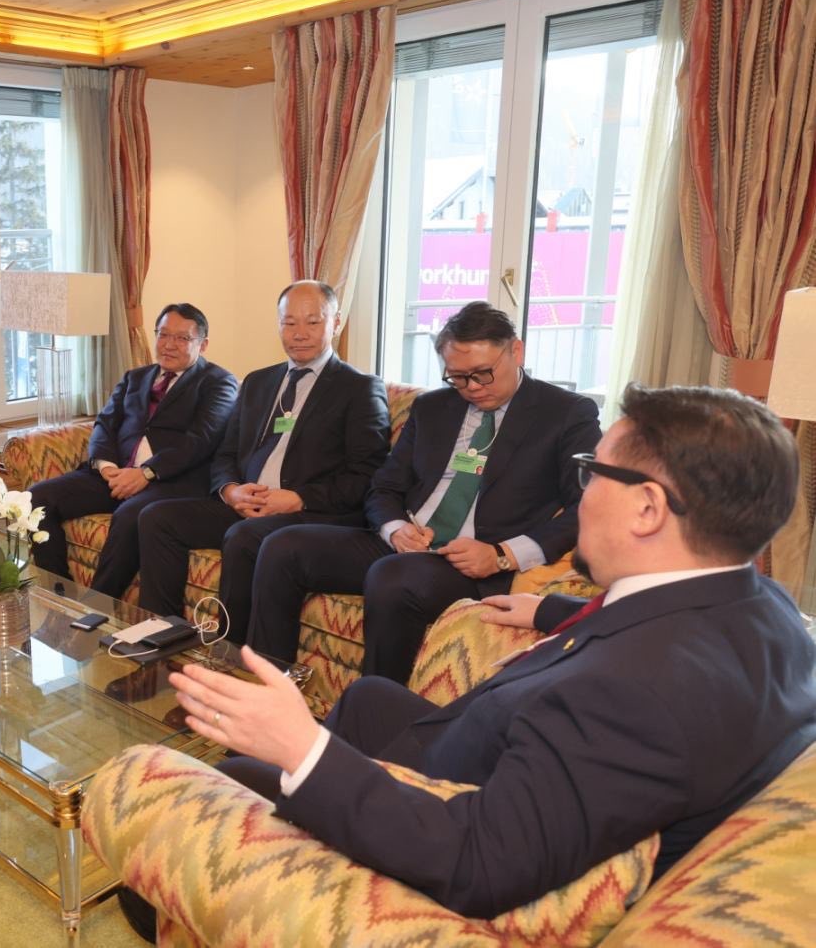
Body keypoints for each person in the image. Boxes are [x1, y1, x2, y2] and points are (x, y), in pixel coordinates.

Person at [123, 383, 816, 936]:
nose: (578, 494)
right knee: (367, 695)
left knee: (216, 782)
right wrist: (552, 610)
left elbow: (476, 862)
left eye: (592, 472)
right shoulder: (768, 611)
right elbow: (659, 623)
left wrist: (300, 747)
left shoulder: (633, 697)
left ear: (647, 509)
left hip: (446, 812)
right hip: (482, 750)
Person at [245, 300, 601, 682]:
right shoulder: (432, 407)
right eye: (458, 377)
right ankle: (266, 683)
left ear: (516, 351)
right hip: (405, 542)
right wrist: (395, 528)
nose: (472, 388)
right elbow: (385, 485)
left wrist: (503, 555)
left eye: (483, 374)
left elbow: (587, 506)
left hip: (475, 560)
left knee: (392, 578)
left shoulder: (566, 413)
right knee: (282, 547)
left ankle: (375, 709)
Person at [134, 281, 390, 641]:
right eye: (289, 322)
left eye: (312, 322)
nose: (299, 333)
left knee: (243, 538)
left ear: (335, 323)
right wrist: (230, 490)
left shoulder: (359, 388)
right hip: (247, 502)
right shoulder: (258, 382)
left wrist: (298, 498)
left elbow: (367, 474)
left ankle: (231, 653)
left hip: (309, 512)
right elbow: (226, 453)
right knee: (157, 518)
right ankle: (158, 637)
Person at [29, 303, 237, 597]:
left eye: (182, 338)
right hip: (114, 475)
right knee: (37, 498)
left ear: (202, 345)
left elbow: (200, 439)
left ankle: (96, 606)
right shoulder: (135, 377)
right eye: (163, 334)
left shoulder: (219, 383)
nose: (169, 345)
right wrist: (106, 467)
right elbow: (104, 424)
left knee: (130, 516)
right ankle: (59, 594)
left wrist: (146, 473)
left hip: (170, 482)